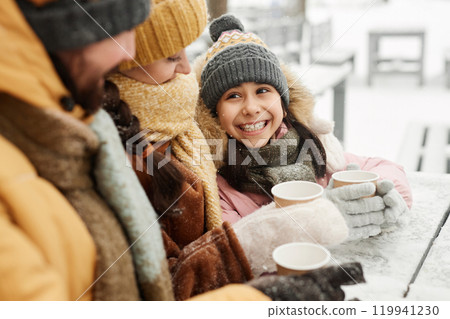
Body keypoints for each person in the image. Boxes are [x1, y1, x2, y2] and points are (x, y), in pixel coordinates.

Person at [0, 0, 270, 301]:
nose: (128, 50)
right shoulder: (100, 147)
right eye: (169, 55)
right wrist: (266, 284)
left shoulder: (181, 124)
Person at [105, 0, 348, 299]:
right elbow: (159, 286)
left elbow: (372, 169)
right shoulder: (176, 157)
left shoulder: (182, 129)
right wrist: (257, 239)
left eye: (263, 91)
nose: (184, 67)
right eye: (171, 56)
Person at [196, 14, 412, 241]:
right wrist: (320, 216)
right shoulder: (214, 181)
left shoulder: (312, 146)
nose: (251, 108)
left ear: (284, 104)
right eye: (234, 95)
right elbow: (237, 246)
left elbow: (384, 168)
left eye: (262, 91)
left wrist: (384, 198)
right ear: (214, 115)